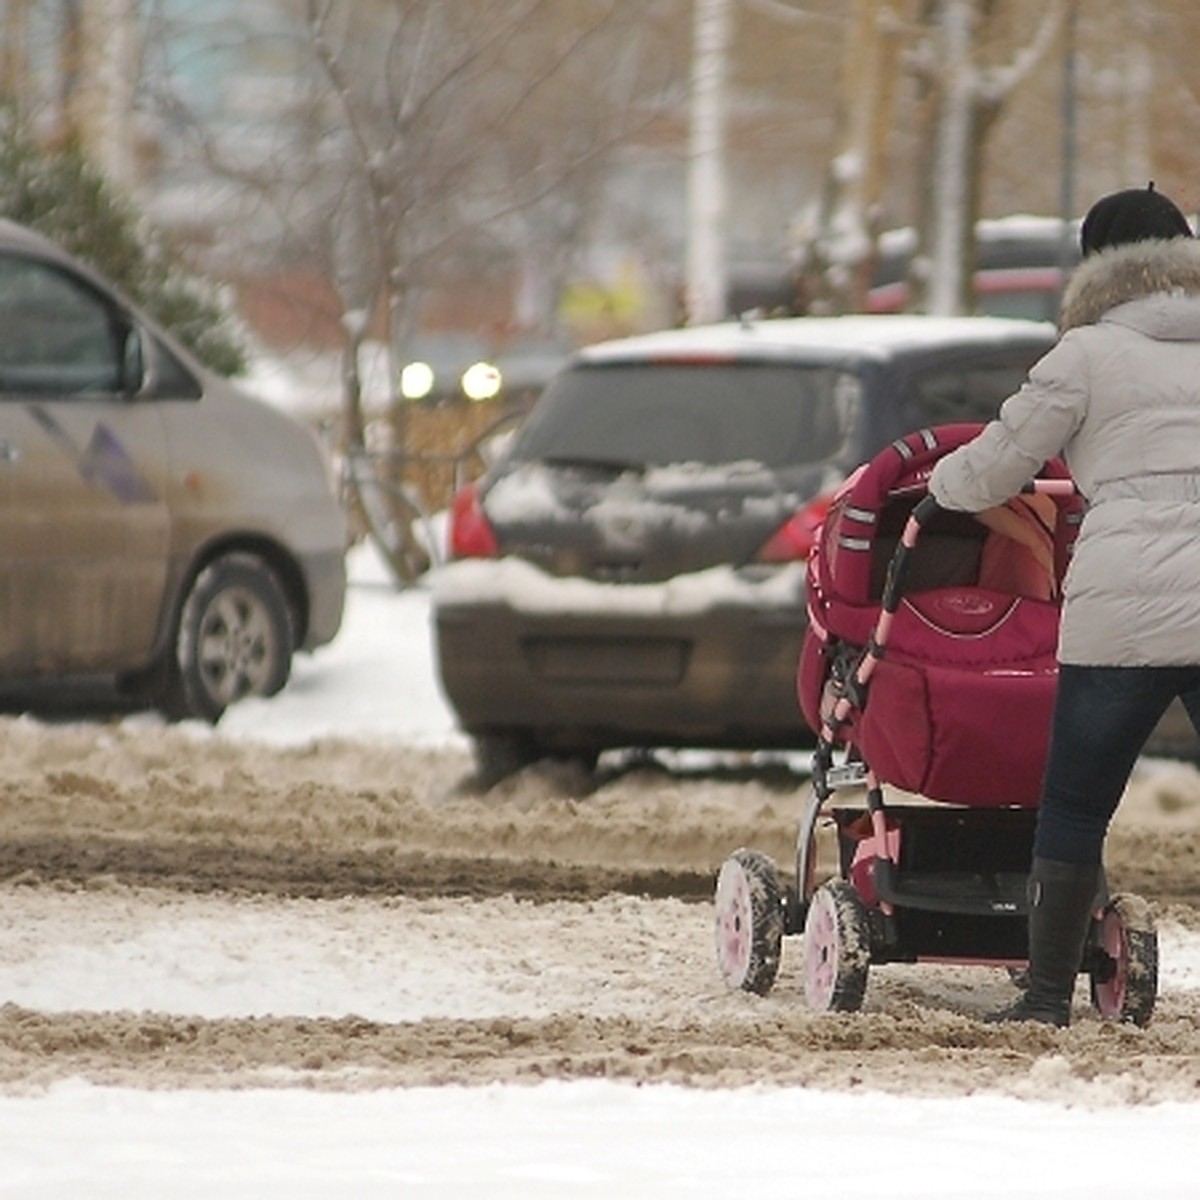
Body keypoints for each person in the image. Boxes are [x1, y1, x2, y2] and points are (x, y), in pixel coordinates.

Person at [928, 183, 1200, 1027]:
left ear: (1096, 266)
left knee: (1077, 802)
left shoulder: (1083, 355)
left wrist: (940, 486)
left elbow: (990, 470)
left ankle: (1046, 997)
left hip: (1123, 608)